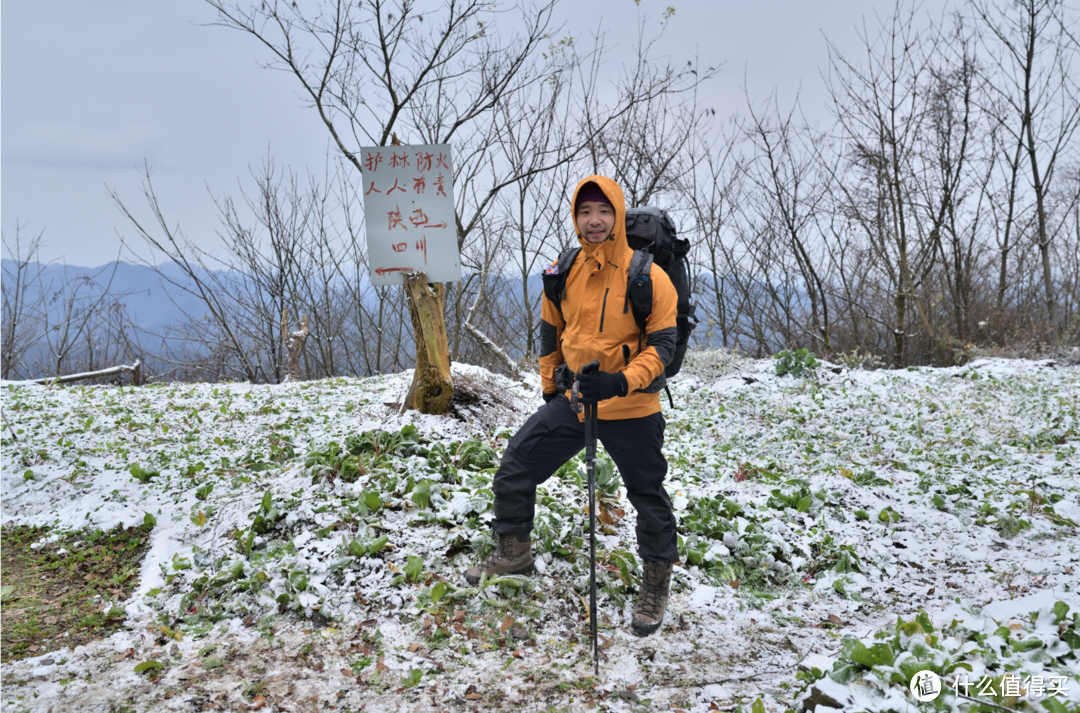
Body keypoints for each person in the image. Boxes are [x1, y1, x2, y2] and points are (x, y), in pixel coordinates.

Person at [464, 175, 680, 636]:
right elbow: (549, 332)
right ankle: (514, 553)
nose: (594, 220)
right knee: (516, 464)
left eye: (603, 211)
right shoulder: (563, 270)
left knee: (648, 497)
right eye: (585, 212)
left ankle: (656, 583)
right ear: (575, 217)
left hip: (633, 408)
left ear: (617, 216)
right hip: (575, 401)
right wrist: (550, 391)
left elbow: (662, 345)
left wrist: (620, 382)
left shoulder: (649, 276)